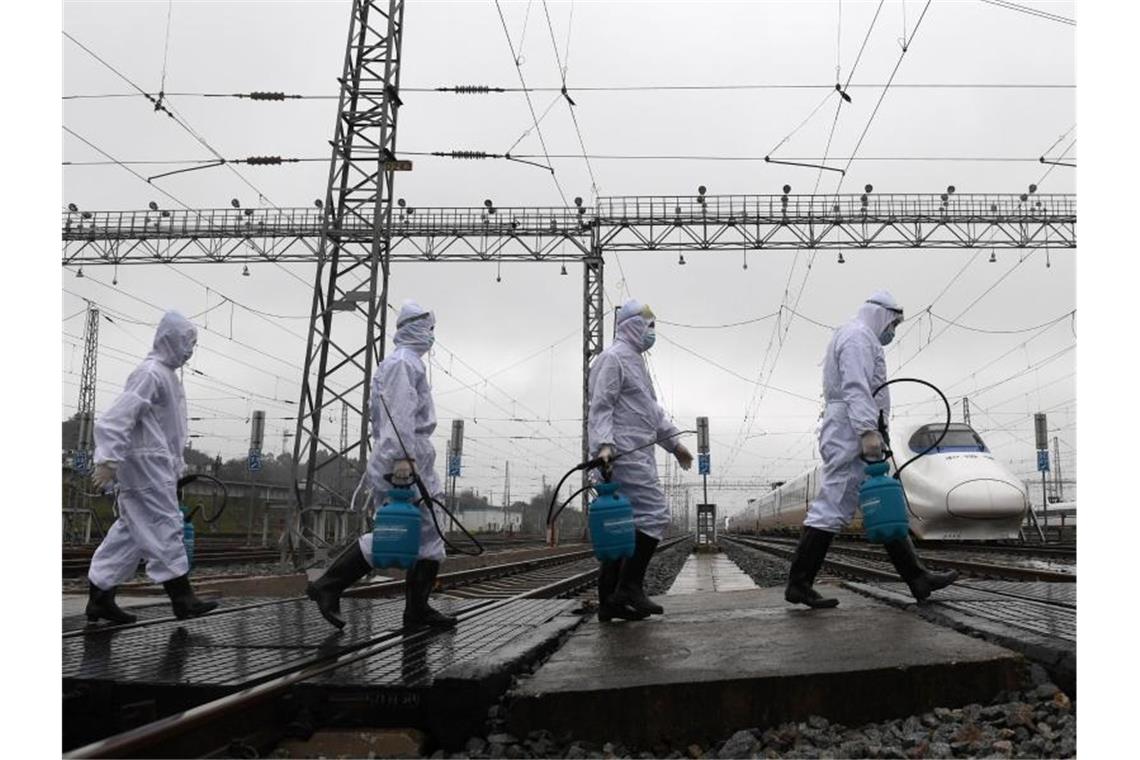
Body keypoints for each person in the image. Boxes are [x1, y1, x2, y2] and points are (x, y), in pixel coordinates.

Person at [785, 291, 958, 608]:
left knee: (885, 502)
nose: (892, 331)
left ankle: (918, 579)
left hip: (855, 425)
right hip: (851, 428)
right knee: (834, 505)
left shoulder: (859, 337)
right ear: (882, 315)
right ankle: (798, 583)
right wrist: (866, 430)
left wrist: (874, 429)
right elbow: (856, 386)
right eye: (893, 323)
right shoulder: (857, 338)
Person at [307, 301, 456, 631]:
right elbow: (399, 415)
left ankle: (417, 610)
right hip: (401, 458)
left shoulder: (410, 363)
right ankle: (327, 585)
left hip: (412, 456)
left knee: (430, 536)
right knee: (395, 534)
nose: (432, 337)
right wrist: (403, 461)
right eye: (430, 330)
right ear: (416, 329)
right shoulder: (402, 364)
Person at [86, 311, 218, 623]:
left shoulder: (167, 376)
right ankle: (182, 598)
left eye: (193, 345)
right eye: (187, 343)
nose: (189, 350)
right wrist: (107, 460)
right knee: (164, 524)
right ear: (170, 339)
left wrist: (174, 465)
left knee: (131, 533)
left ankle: (99, 598)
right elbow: (118, 416)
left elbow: (168, 430)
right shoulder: (150, 373)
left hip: (155, 465)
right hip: (144, 466)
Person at [588, 299, 694, 621]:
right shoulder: (614, 359)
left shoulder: (635, 362)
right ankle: (629, 587)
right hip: (622, 454)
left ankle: (610, 601)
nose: (652, 332)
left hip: (636, 452)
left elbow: (651, 412)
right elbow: (601, 406)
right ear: (632, 325)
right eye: (648, 325)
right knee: (655, 515)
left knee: (624, 528)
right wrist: (604, 446)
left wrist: (675, 445)